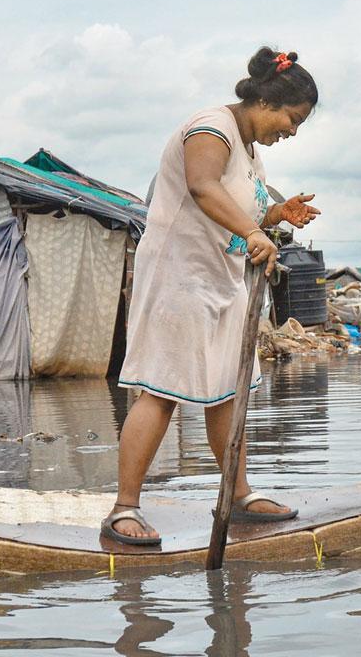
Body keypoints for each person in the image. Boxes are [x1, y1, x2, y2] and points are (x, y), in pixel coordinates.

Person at [102, 47, 321, 545]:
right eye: (293, 118)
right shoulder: (210, 128)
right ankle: (123, 510)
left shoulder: (249, 154)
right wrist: (253, 229)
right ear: (266, 99)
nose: (292, 131)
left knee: (227, 389)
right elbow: (202, 188)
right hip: (179, 278)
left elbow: (241, 210)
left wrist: (276, 215)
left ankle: (238, 496)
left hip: (221, 279)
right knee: (161, 390)